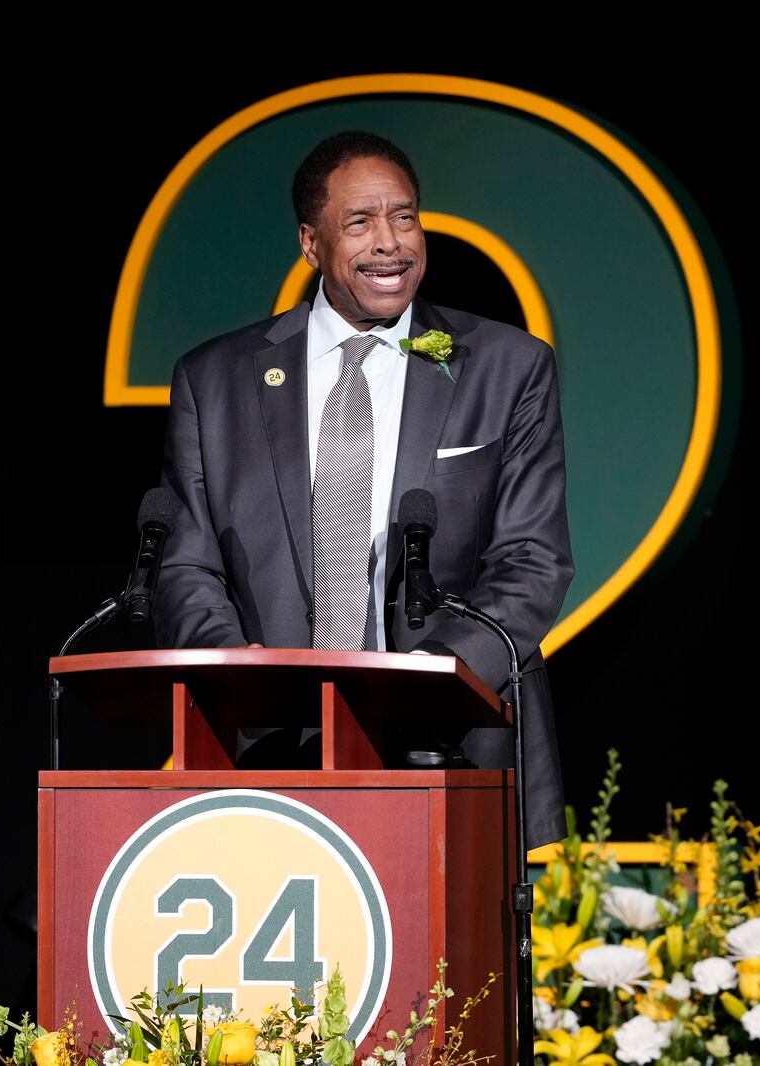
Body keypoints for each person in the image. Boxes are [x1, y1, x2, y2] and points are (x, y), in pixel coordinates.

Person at [155, 130, 572, 847]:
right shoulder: (214, 380)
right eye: (361, 222)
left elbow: (534, 561)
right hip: (269, 752)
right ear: (311, 244)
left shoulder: (508, 366)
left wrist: (419, 687)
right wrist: (240, 680)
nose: (392, 243)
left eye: (404, 217)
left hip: (453, 747)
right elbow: (186, 562)